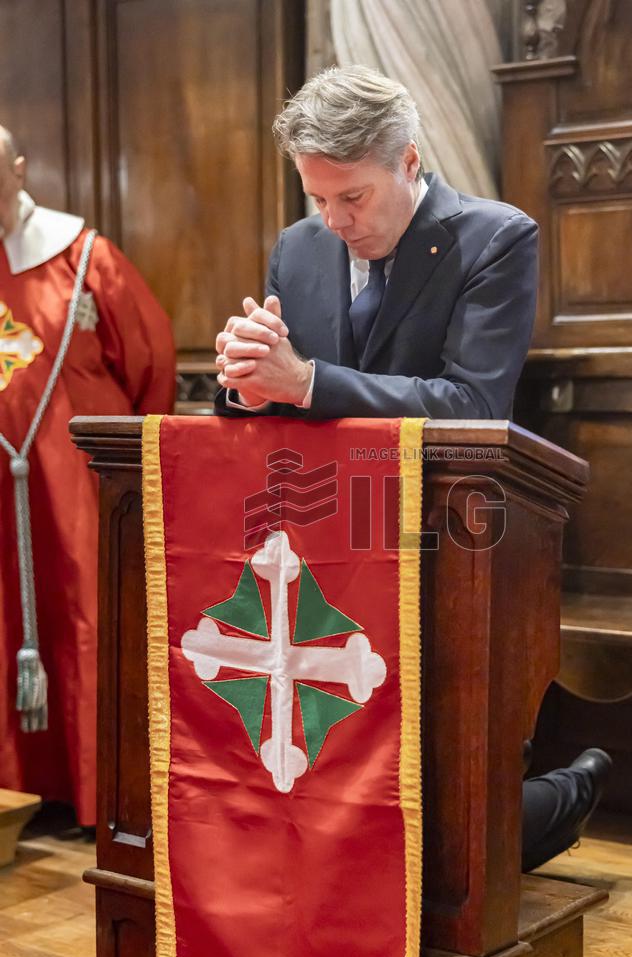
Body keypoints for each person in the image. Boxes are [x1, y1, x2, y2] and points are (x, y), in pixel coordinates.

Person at [213, 66, 611, 869]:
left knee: (436, 755)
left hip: (450, 533)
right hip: (322, 533)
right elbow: (269, 397)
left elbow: (472, 402)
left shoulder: (495, 237)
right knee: (328, 744)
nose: (332, 220)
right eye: (317, 198)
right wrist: (245, 383)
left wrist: (305, 382)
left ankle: (547, 807)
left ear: (408, 161)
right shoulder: (299, 246)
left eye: (351, 198)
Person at [0, 126, 175, 827]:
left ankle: (95, 792)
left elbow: (151, 363)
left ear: (17, 169)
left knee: (84, 622)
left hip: (77, 488)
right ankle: (17, 789)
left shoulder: (82, 256)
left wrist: (125, 476)